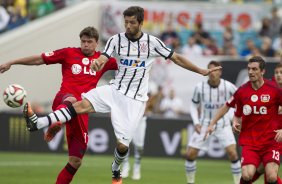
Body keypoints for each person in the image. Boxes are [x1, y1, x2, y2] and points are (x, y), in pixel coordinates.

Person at [22, 6, 221, 184]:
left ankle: (116, 169)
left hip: (134, 101)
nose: (127, 26)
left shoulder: (152, 43)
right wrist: (98, 62)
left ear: (141, 23)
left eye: (132, 22)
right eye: (125, 22)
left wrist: (201, 71)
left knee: (123, 146)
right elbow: (104, 56)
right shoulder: (117, 40)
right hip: (114, 90)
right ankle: (37, 123)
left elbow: (176, 58)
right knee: (79, 105)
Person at [0, 26, 118, 184]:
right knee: (73, 101)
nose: (85, 44)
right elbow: (38, 60)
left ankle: (56, 123)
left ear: (97, 43)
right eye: (83, 41)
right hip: (64, 98)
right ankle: (56, 121)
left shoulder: (104, 60)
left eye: (89, 42)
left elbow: (129, 67)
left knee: (75, 161)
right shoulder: (68, 53)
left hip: (83, 110)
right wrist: (12, 62)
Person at [208, 56, 282, 184]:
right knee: (247, 175)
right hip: (250, 142)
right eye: (249, 69)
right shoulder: (242, 91)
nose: (251, 72)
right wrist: (213, 123)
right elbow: (228, 107)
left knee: (271, 176)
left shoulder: (275, 90)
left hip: (271, 141)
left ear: (262, 71)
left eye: (254, 69)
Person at [185, 61, 241, 184]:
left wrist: (233, 118)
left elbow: (240, 101)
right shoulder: (199, 87)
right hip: (204, 124)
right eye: (210, 70)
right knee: (190, 154)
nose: (212, 73)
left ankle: (238, 182)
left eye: (215, 70)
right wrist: (196, 123)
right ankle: (190, 182)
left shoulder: (229, 86)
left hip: (223, 125)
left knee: (233, 153)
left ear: (220, 72)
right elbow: (194, 106)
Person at [121, 93, 153, 180]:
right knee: (125, 143)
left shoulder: (146, 86)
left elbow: (149, 100)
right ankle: (125, 165)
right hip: (128, 119)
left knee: (139, 146)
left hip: (140, 121)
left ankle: (137, 167)